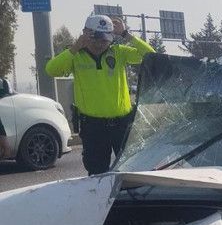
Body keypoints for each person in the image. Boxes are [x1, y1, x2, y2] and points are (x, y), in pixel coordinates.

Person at [46, 15, 154, 175]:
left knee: (132, 171)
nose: (100, 44)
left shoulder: (119, 52)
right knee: (97, 173)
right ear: (85, 34)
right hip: (93, 127)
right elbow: (51, 70)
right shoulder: (75, 56)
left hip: (122, 124)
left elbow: (151, 56)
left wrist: (126, 35)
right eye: (96, 39)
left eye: (105, 40)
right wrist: (75, 47)